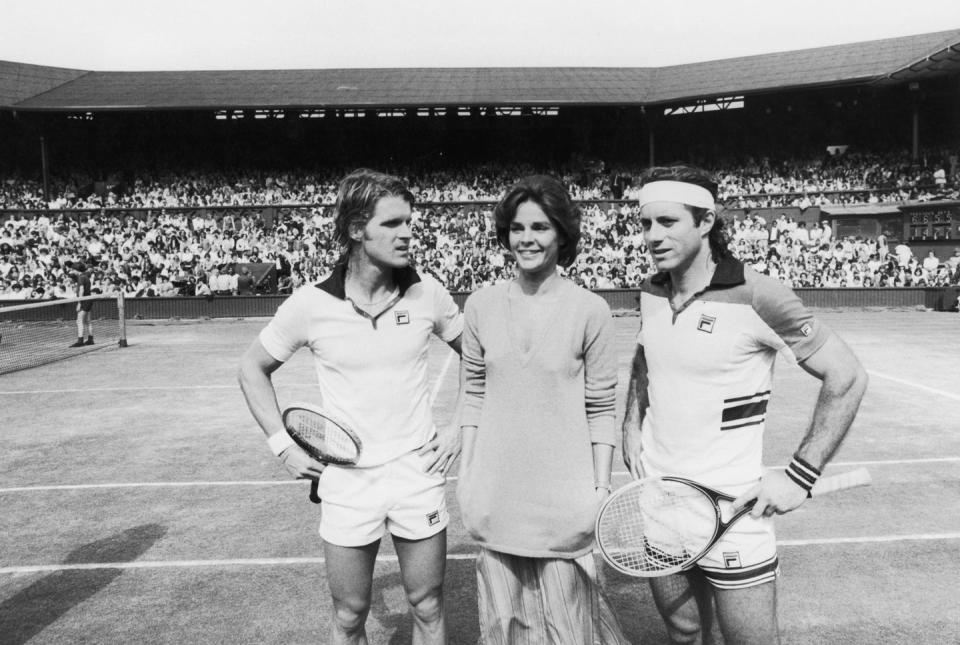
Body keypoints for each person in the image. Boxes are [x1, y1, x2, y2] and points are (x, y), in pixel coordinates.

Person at [621, 165, 868, 645]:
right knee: (684, 632)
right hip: (660, 501)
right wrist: (632, 420)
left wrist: (799, 476)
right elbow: (645, 355)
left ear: (706, 221)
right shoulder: (652, 290)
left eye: (667, 222)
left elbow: (848, 375)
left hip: (734, 511)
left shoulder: (760, 295)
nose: (652, 235)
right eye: (645, 224)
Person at [237, 169, 463, 645]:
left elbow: (479, 360)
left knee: (427, 605)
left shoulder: (430, 294)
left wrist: (462, 424)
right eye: (393, 223)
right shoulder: (309, 304)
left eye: (410, 222)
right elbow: (252, 369)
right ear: (358, 229)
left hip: (416, 473)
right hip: (347, 480)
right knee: (349, 614)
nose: (408, 233)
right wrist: (281, 445)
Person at [456, 175, 629, 644]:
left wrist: (598, 486)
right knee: (502, 628)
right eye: (517, 228)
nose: (526, 239)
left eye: (540, 227)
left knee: (571, 629)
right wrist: (467, 475)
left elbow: (601, 408)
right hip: (496, 495)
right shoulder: (480, 305)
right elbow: (473, 393)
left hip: (563, 500)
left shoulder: (590, 310)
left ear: (562, 234)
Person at [70, 262, 94, 347]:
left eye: (73, 269)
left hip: (84, 301)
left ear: (77, 270)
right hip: (89, 300)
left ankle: (80, 341)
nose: (72, 271)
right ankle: (90, 339)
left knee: (79, 321)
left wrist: (79, 303)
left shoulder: (80, 278)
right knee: (88, 321)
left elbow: (81, 290)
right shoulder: (86, 277)